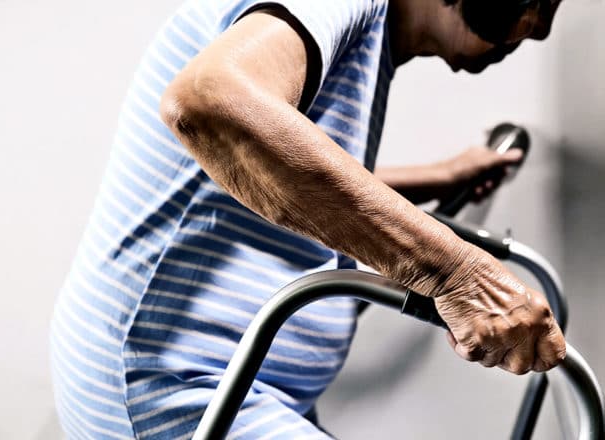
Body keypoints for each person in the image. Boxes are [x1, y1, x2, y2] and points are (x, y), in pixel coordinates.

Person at [50, 0, 566, 438]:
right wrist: (456, 274)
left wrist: (440, 177)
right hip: (172, 383)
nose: (540, 30)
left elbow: (268, 175)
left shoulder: (368, 35)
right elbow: (210, 104)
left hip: (231, 379)